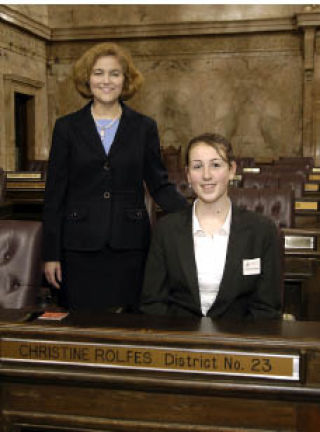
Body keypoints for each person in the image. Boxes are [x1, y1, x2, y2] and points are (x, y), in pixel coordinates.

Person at [43, 42, 187, 312]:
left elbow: (159, 184)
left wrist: (196, 213)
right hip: (78, 247)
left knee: (127, 329)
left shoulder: (144, 127)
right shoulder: (66, 127)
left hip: (129, 245)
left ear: (126, 80)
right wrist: (50, 254)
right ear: (87, 78)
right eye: (98, 73)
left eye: (114, 73)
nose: (105, 80)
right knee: (82, 329)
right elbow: (54, 196)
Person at [140, 133, 282, 320]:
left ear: (231, 170)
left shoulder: (263, 231)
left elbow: (267, 308)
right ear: (188, 175)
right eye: (197, 166)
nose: (206, 175)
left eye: (216, 165)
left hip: (239, 342)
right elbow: (153, 303)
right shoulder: (166, 229)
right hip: (179, 340)